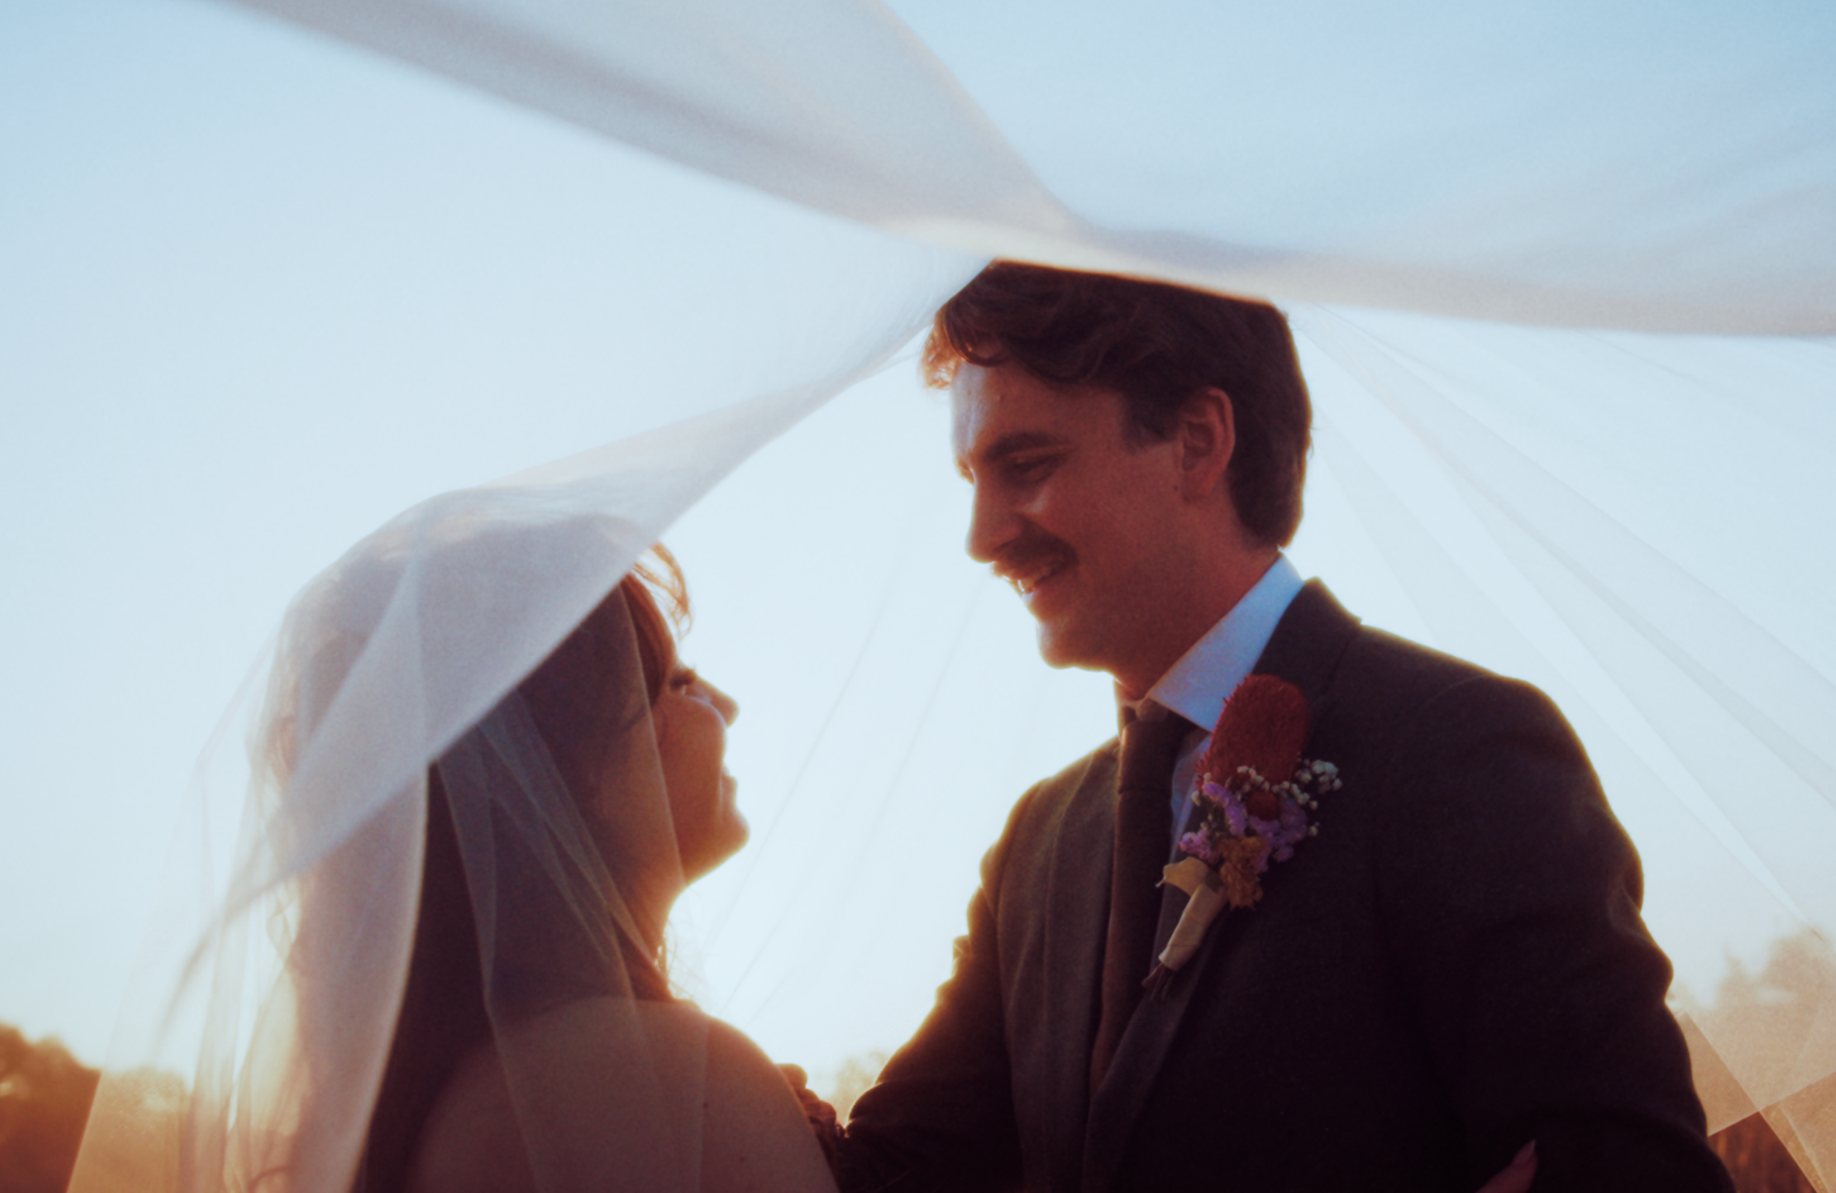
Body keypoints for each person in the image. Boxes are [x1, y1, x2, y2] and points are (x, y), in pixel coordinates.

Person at [837, 263, 1735, 1192]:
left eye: (1025, 466)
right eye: (973, 477)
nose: (982, 536)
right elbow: (893, 1172)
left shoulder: (1459, 748)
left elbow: (1635, 1170)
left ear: (1197, 442)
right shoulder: (1040, 840)